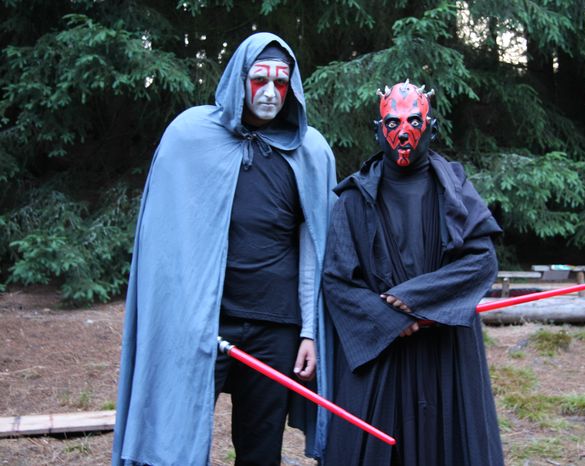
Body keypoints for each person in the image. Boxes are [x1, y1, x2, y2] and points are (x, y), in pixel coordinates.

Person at [112, 33, 336, 465]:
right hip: (202, 322)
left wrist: (309, 331)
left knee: (261, 449)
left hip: (276, 326)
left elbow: (314, 249)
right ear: (240, 79)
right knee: (174, 440)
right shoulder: (191, 137)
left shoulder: (310, 151)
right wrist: (178, 317)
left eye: (281, 82)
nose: (270, 92)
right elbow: (166, 243)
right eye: (259, 79)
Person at [321, 80, 504, 465]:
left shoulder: (456, 189)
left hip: (445, 351)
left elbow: (481, 261)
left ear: (431, 128)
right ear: (377, 130)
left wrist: (413, 299)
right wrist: (388, 318)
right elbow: (337, 280)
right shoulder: (352, 200)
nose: (403, 132)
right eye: (392, 123)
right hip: (382, 354)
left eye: (414, 121)